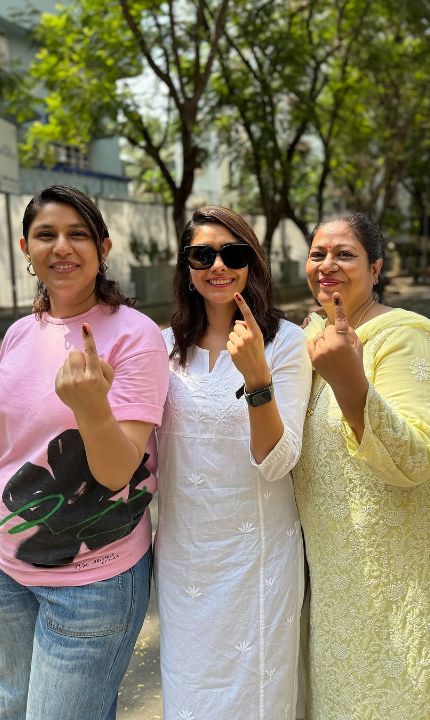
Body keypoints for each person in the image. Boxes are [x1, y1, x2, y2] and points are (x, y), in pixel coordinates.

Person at [290, 213, 430, 719]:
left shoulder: (401, 338)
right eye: (318, 253)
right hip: (336, 590)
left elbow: (416, 459)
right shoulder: (307, 338)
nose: (327, 265)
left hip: (403, 590)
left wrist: (352, 385)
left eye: (344, 254)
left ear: (376, 269)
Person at [0, 185, 167, 718]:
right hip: (9, 572)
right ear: (26, 248)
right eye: (46, 235)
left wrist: (92, 408)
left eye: (78, 234)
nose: (62, 247)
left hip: (91, 583)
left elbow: (119, 472)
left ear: (103, 247)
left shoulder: (134, 337)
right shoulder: (19, 333)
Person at [154, 206, 308, 719]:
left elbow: (279, 461)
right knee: (189, 691)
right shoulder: (164, 348)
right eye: (202, 254)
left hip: (256, 557)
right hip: (184, 557)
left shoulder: (285, 342)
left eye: (232, 253)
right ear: (186, 267)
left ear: (253, 263)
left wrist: (258, 379)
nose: (217, 266)